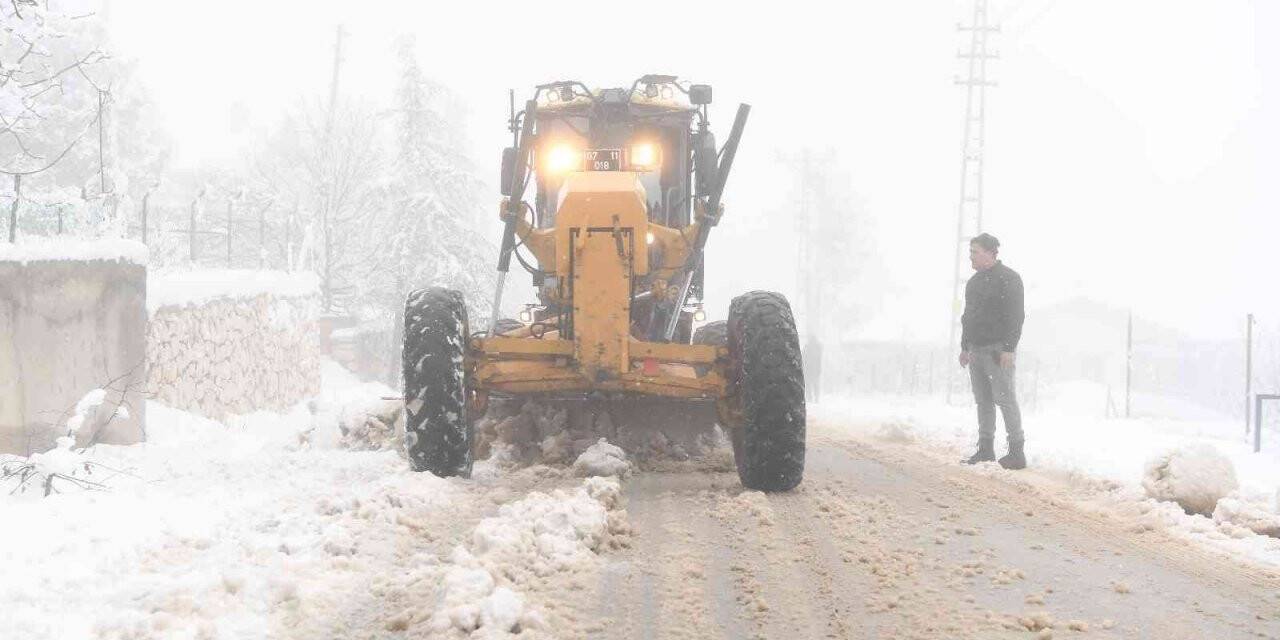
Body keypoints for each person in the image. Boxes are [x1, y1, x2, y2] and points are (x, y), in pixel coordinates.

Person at [959, 232, 1026, 469]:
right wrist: (964, 346)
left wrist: (1009, 348)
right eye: (970, 253)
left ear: (990, 252)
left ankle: (1017, 451)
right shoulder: (973, 283)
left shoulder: (1009, 279)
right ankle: (985, 448)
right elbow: (967, 316)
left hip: (998, 350)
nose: (971, 258)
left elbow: (1016, 316)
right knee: (983, 401)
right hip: (976, 350)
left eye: (975, 252)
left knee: (1005, 400)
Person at [803, 334, 823, 403]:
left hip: (809, 369)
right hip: (814, 369)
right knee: (815, 384)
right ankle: (815, 398)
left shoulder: (807, 347)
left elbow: (803, 358)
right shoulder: (818, 348)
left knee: (809, 384)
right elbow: (819, 359)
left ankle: (810, 398)